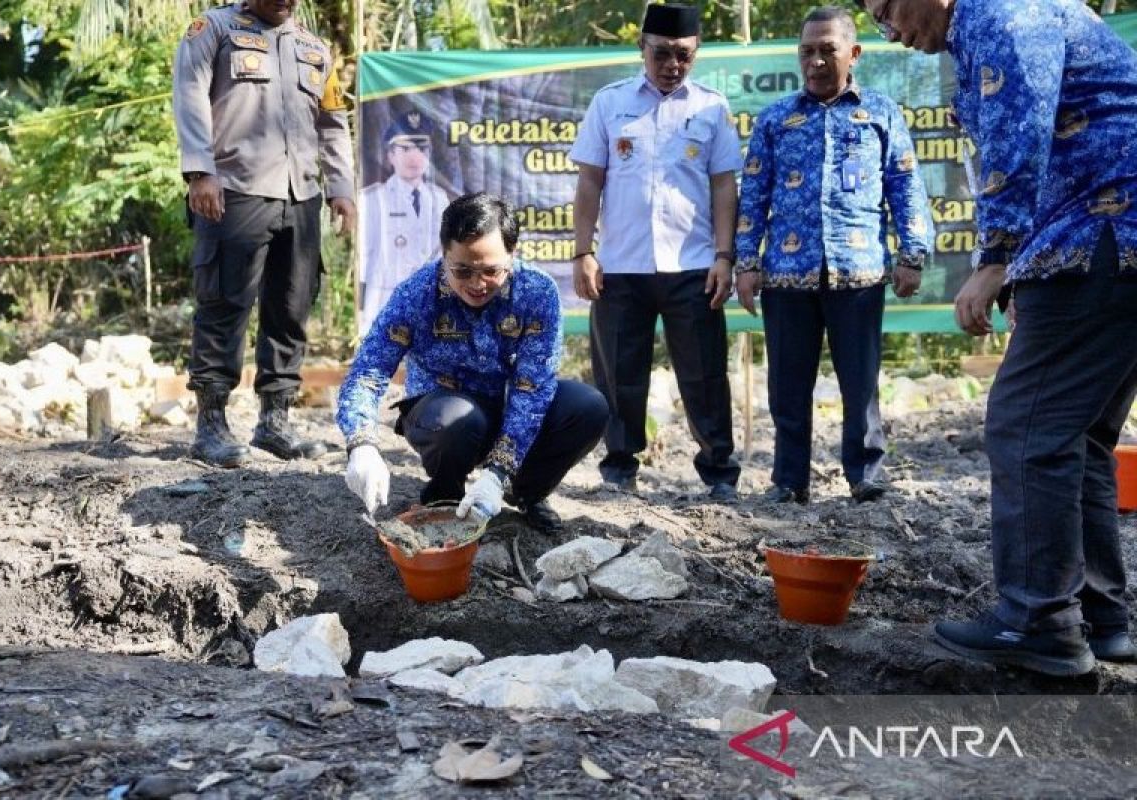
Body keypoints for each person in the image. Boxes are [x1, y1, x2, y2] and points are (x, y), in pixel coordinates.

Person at [862, 0, 1137, 674]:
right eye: (875, 21)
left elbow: (1020, 133)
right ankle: (1103, 619)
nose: (891, 31)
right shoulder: (1002, 19)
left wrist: (996, 258)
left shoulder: (1006, 16)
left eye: (890, 8)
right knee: (1078, 435)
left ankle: (1037, 621)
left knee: (1025, 427)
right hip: (1103, 240)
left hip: (1099, 235)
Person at [734, 6, 932, 505]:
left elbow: (905, 186)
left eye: (828, 50)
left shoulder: (882, 113)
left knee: (861, 384)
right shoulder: (776, 118)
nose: (817, 61)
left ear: (854, 53)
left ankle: (864, 475)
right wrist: (746, 263)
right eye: (807, 51)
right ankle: (788, 480)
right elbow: (753, 194)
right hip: (787, 275)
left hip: (859, 273)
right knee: (787, 387)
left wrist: (913, 253)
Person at [337, 193, 609, 535]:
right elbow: (368, 371)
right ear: (444, 254)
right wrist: (361, 443)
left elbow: (532, 388)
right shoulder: (416, 294)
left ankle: (524, 490)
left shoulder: (537, 293)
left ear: (512, 255)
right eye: (462, 270)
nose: (476, 285)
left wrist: (498, 472)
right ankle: (444, 497)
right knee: (459, 420)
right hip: (441, 415)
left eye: (490, 271)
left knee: (588, 406)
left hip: (508, 410)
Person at [569, 2, 742, 501]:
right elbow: (590, 182)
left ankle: (719, 472)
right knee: (619, 375)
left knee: (705, 374)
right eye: (662, 53)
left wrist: (725, 256)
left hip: (694, 265)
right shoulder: (609, 103)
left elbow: (724, 187)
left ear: (697, 52)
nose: (672, 65)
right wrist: (584, 251)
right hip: (621, 266)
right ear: (641, 48)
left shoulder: (711, 107)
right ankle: (619, 468)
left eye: (683, 55)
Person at [173, 0, 356, 468]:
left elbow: (333, 123)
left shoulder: (314, 48)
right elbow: (190, 95)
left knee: (291, 307)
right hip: (234, 190)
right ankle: (210, 425)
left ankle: (275, 422)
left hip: (301, 196)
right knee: (223, 305)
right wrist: (200, 171)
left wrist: (341, 188)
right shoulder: (212, 29)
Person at [359, 110, 451, 336]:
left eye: (422, 149)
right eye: (406, 148)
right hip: (385, 301)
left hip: (429, 302)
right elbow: (364, 257)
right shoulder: (372, 199)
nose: (414, 157)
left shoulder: (438, 198)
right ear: (390, 155)